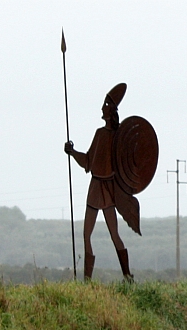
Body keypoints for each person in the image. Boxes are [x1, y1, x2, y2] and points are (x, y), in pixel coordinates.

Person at [64, 83, 135, 282]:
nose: (102, 108)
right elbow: (87, 161)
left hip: (106, 188)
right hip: (97, 188)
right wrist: (72, 152)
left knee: (113, 234)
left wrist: (72, 153)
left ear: (111, 111)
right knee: (88, 234)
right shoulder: (101, 134)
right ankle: (88, 278)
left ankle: (127, 275)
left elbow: (95, 162)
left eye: (105, 105)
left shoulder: (114, 138)